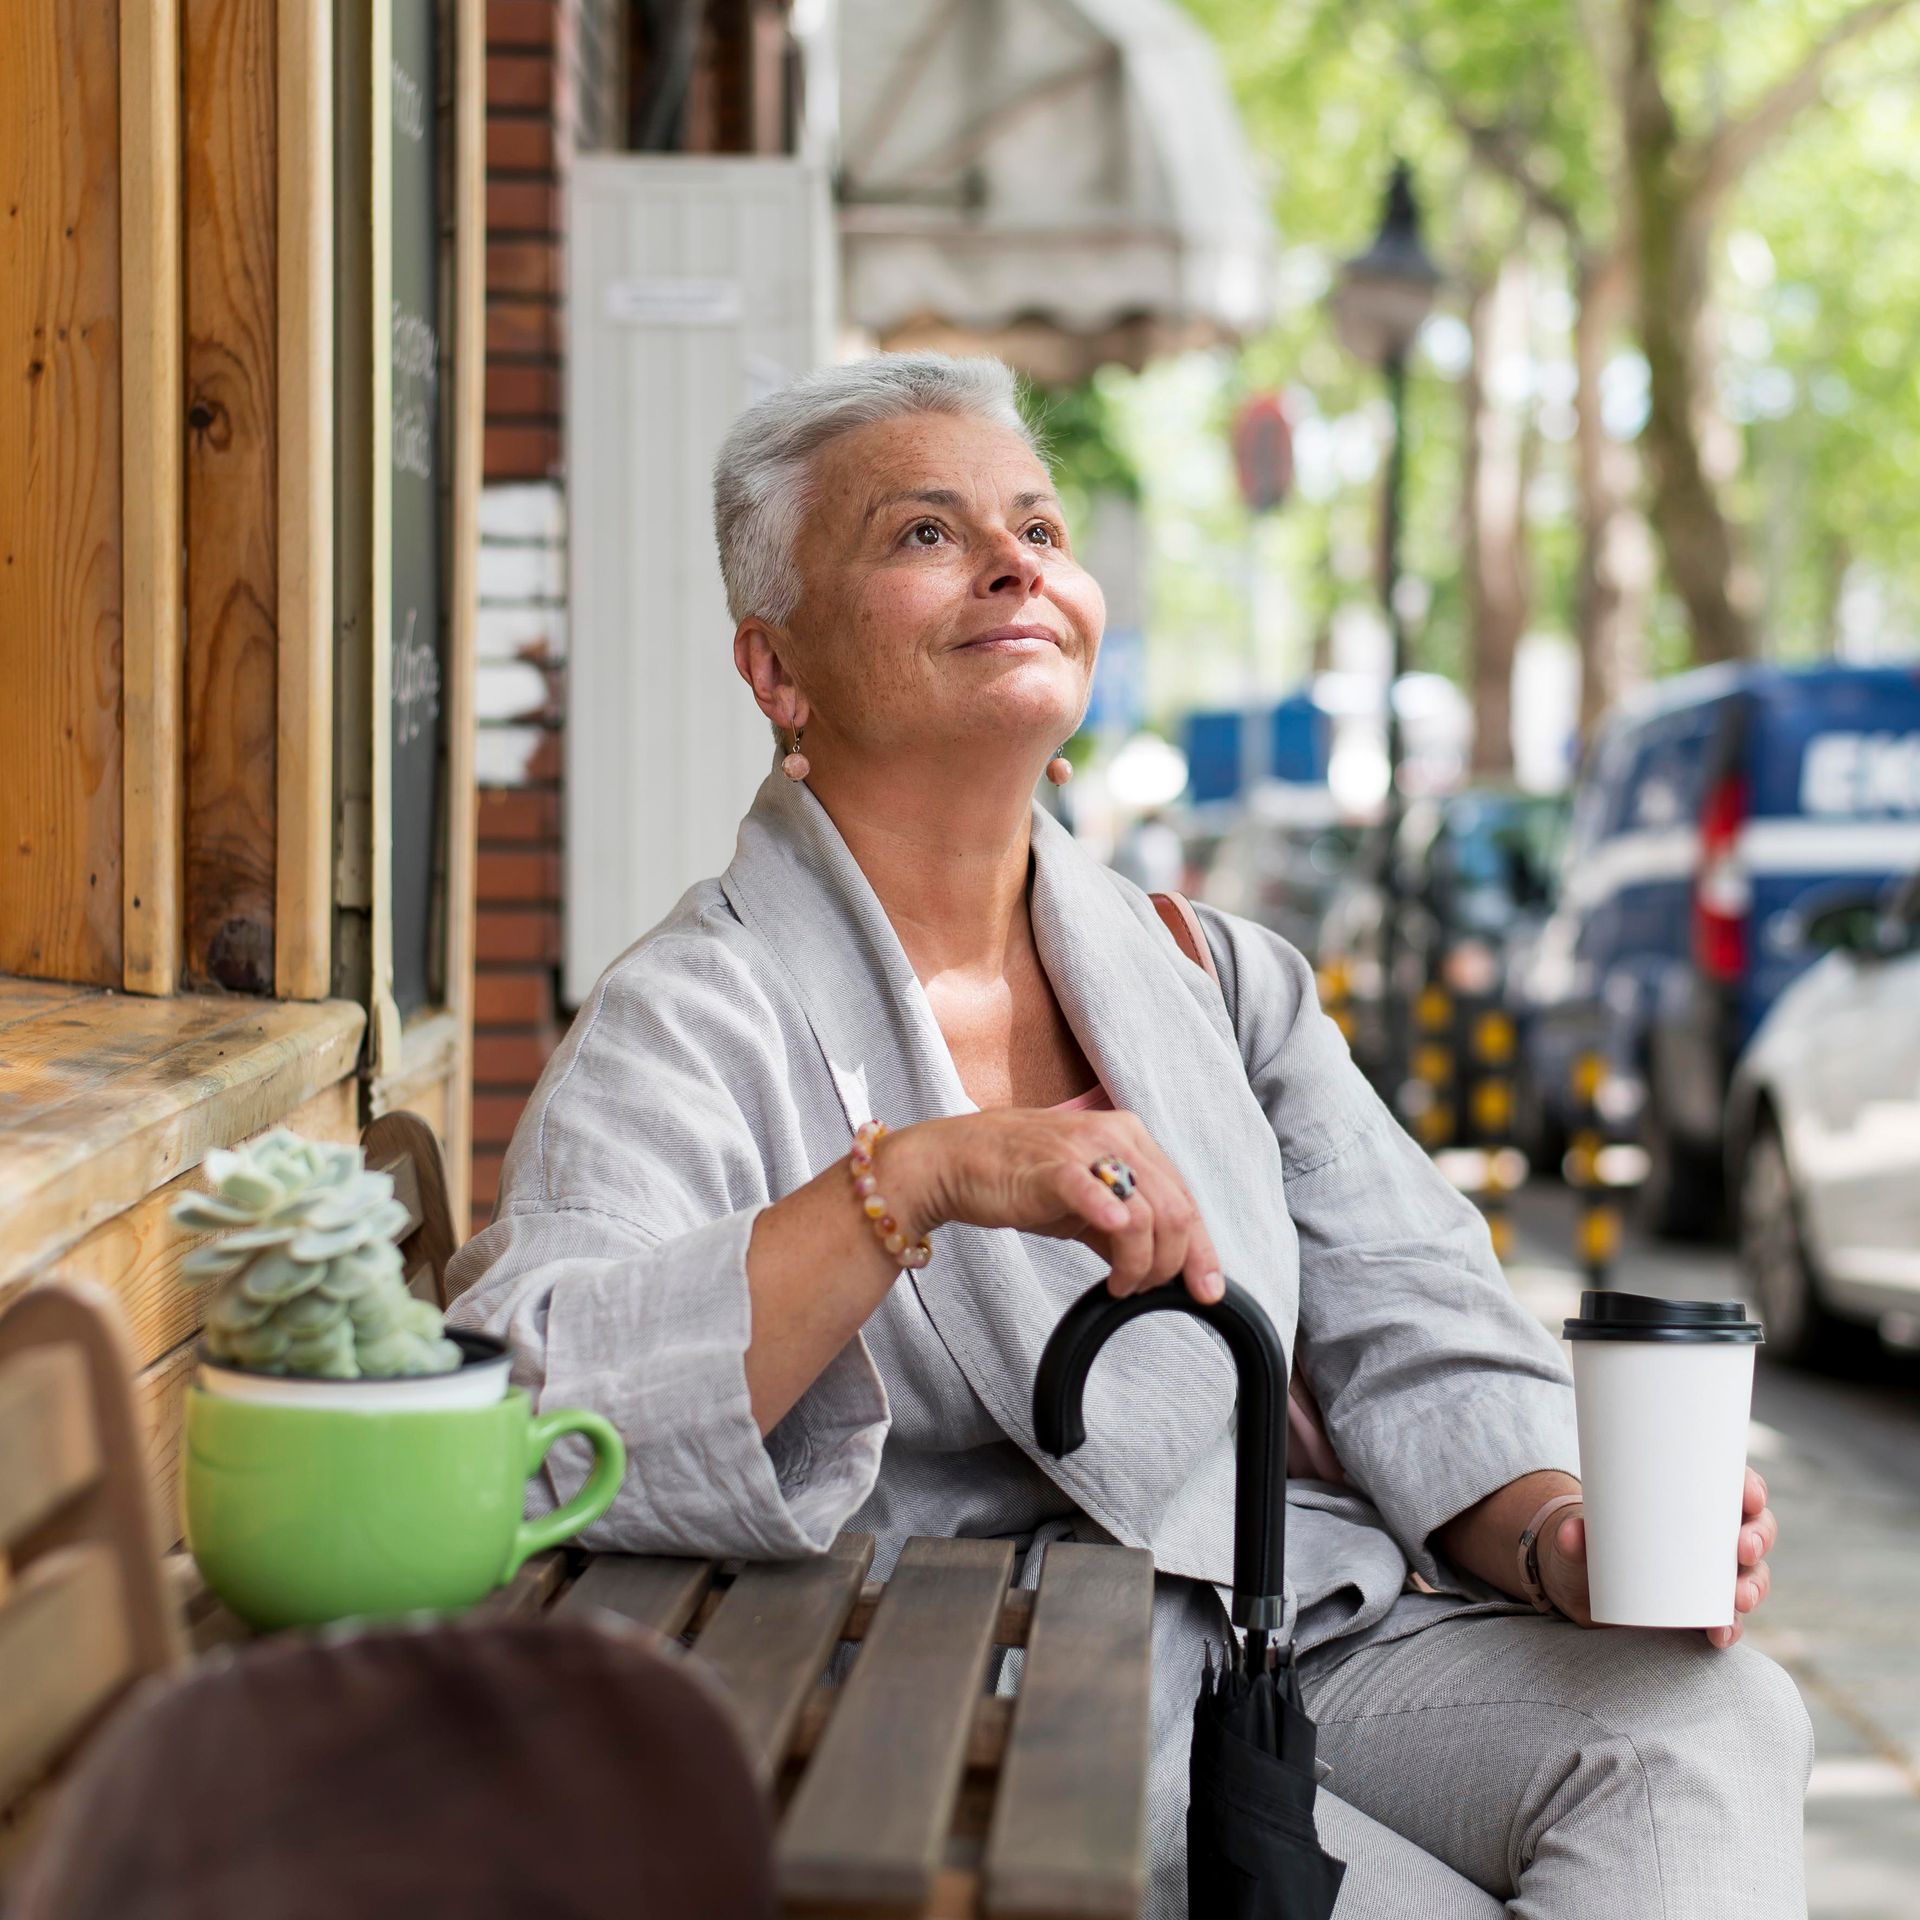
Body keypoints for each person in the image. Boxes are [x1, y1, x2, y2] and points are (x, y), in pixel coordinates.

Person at [447, 354, 1810, 1918]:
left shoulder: (1215, 977)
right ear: (777, 671)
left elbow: (1415, 1312)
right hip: (969, 1682)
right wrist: (915, 1180)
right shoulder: (695, 1013)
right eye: (923, 534)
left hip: (1293, 1618)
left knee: (1709, 1725)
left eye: (1037, 524)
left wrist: (1562, 1530)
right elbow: (536, 1407)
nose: (1017, 560)